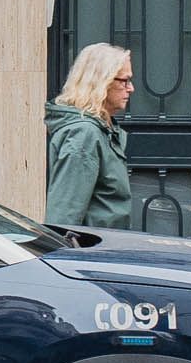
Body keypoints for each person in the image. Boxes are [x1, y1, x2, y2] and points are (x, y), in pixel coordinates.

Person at [46, 43, 139, 230]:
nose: (131, 89)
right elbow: (64, 214)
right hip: (92, 251)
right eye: (124, 81)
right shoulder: (85, 134)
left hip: (105, 248)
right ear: (102, 81)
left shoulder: (101, 130)